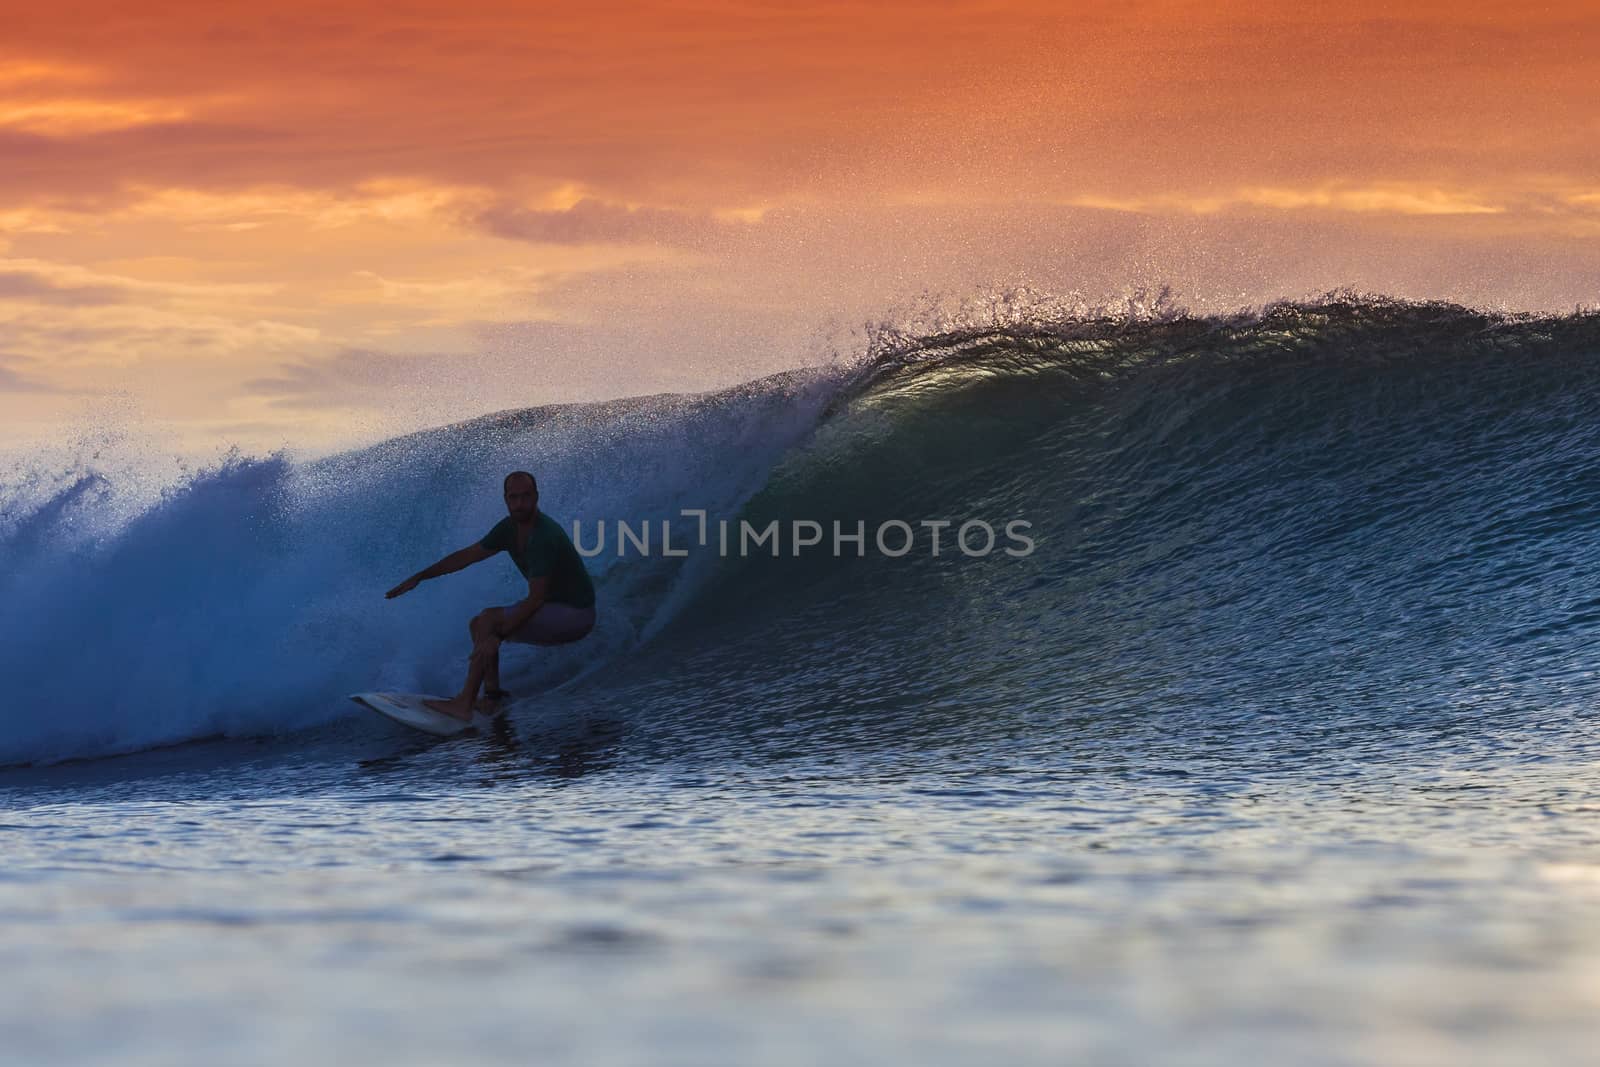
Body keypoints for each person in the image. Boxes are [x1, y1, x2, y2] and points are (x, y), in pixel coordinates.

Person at [385, 470, 596, 722]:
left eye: (526, 496)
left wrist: (500, 635)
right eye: (513, 497)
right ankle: (492, 697)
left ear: (536, 497)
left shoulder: (543, 536)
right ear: (505, 499)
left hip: (575, 615)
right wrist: (421, 576)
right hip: (555, 608)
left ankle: (464, 704)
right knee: (478, 624)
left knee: (488, 623)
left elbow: (536, 599)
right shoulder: (509, 528)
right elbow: (467, 556)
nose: (519, 504)